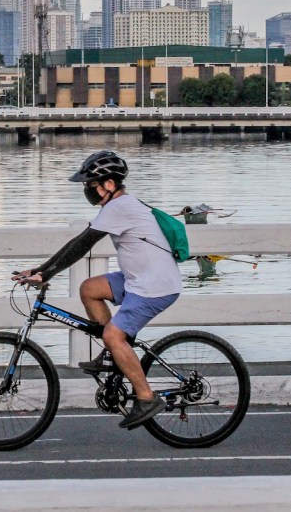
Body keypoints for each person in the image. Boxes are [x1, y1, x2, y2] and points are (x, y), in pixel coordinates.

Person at [12, 150, 182, 430]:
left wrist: (46, 272)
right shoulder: (115, 207)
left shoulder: (119, 207)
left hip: (154, 286)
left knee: (113, 335)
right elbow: (79, 241)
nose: (87, 191)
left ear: (110, 185)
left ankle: (146, 397)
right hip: (138, 278)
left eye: (91, 185)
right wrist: (41, 269)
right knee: (90, 288)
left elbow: (83, 244)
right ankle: (114, 354)